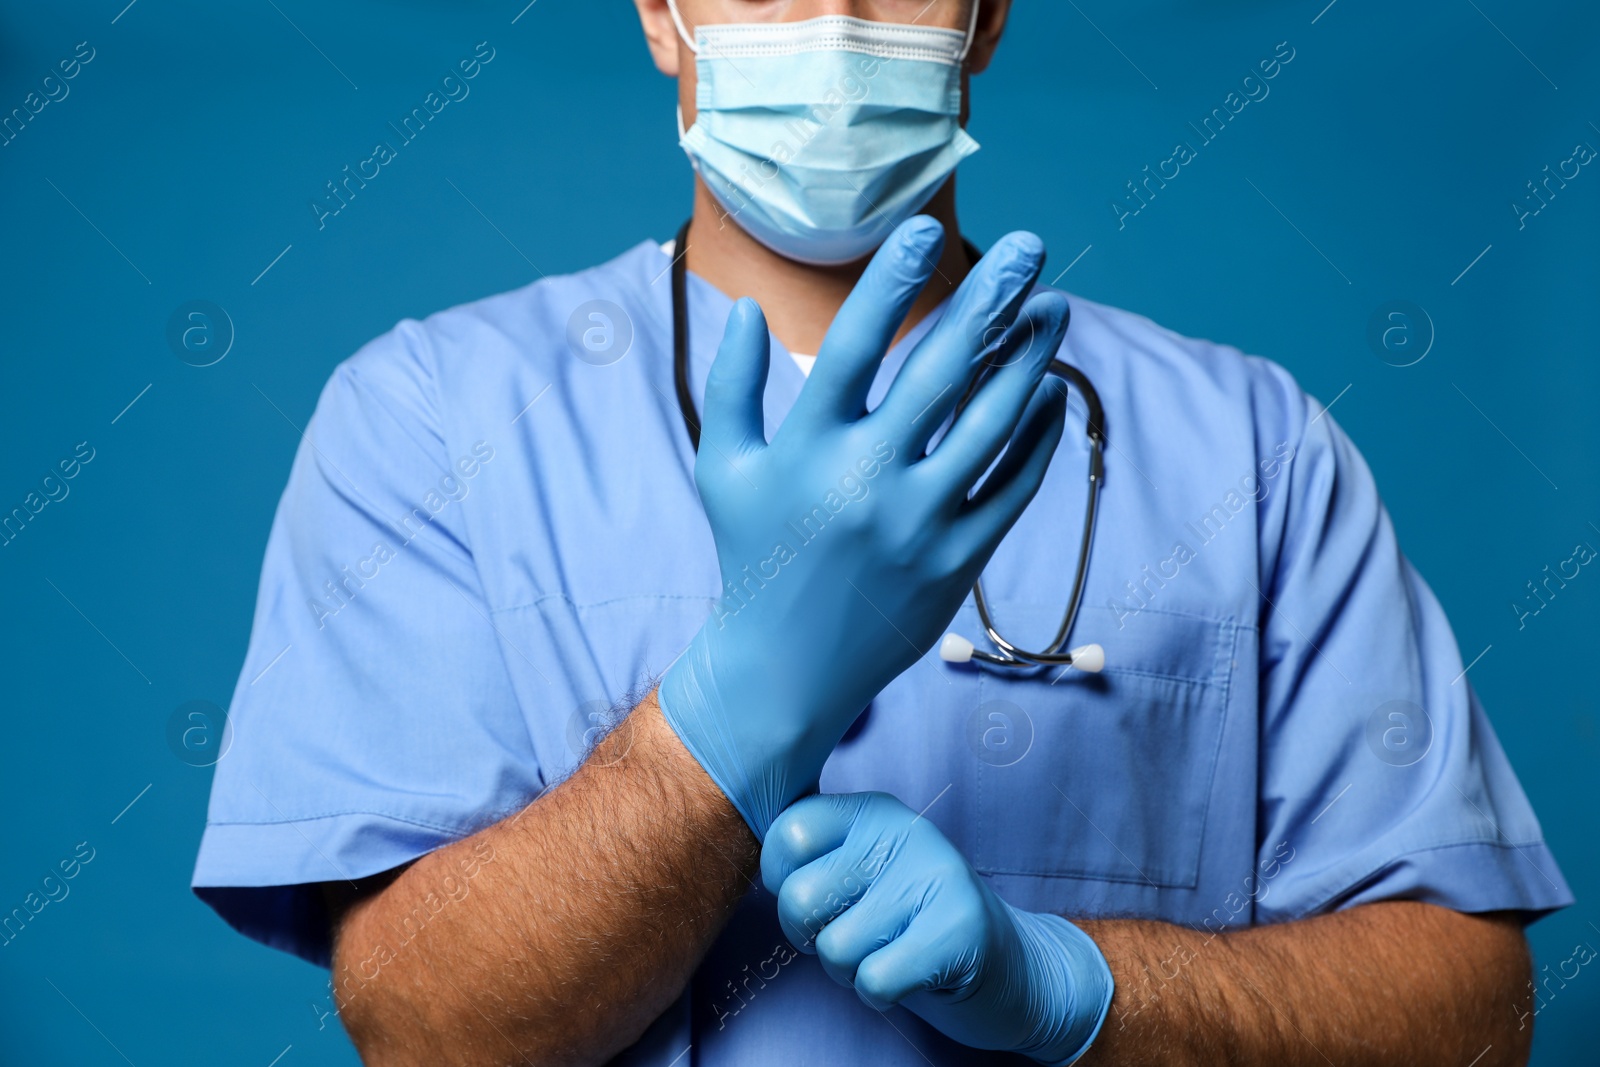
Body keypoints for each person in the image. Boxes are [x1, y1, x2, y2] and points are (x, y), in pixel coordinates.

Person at [192, 1, 1572, 1064]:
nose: (835, 23)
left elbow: (1475, 1019)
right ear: (662, 14)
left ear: (987, 12)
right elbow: (429, 1031)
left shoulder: (1251, 452)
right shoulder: (431, 419)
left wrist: (1066, 988)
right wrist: (733, 722)